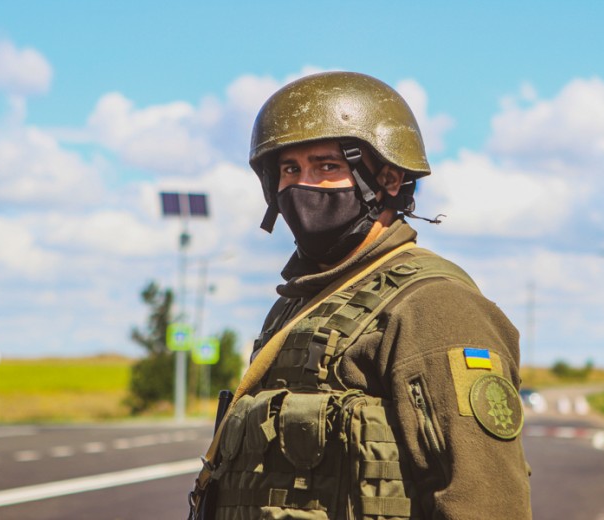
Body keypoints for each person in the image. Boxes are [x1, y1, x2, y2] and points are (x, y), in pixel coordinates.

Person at [200, 71, 532, 519]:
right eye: (289, 169)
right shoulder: (297, 307)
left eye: (327, 167)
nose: (302, 185)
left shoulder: (436, 306)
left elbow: (484, 500)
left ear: (389, 178)